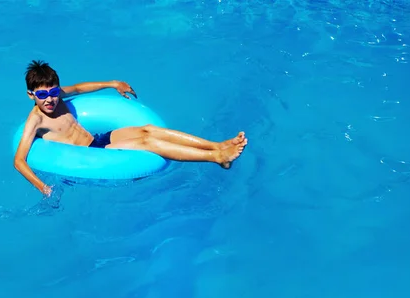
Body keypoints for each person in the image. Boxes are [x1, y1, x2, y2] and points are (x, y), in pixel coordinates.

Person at [14, 60, 248, 196]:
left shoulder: (60, 95)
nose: (50, 99)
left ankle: (217, 145)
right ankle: (216, 157)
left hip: (97, 139)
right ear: (31, 95)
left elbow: (80, 88)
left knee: (148, 130)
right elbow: (19, 161)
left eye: (53, 92)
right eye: (42, 95)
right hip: (95, 155)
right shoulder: (36, 121)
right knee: (149, 144)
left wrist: (112, 84)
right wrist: (42, 186)